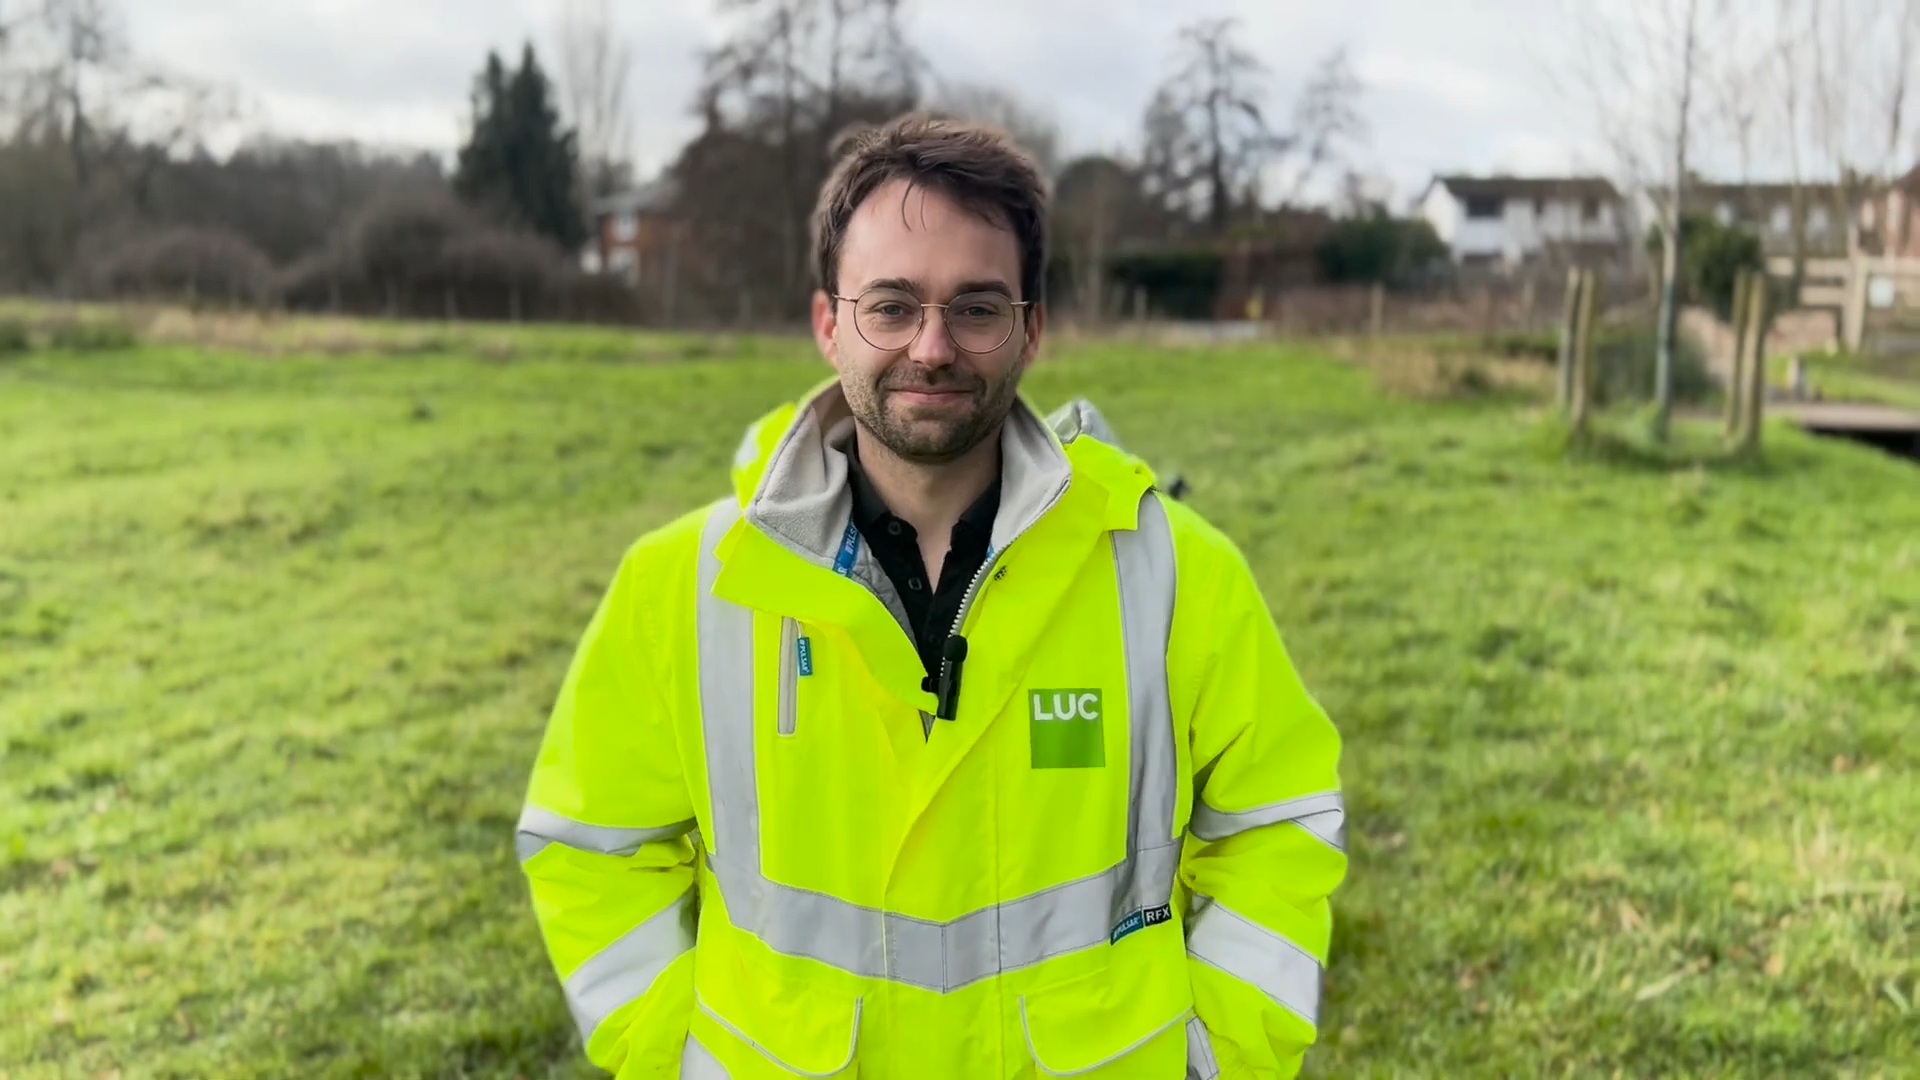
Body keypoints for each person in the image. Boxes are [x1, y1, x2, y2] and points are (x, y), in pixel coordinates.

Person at [516, 114, 1345, 1079]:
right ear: (829, 323)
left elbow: (1279, 824)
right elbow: (591, 849)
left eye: (978, 308)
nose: (934, 347)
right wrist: (682, 1060)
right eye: (893, 306)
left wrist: (1216, 1056)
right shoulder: (684, 585)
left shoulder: (1170, 572)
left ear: (1032, 329)